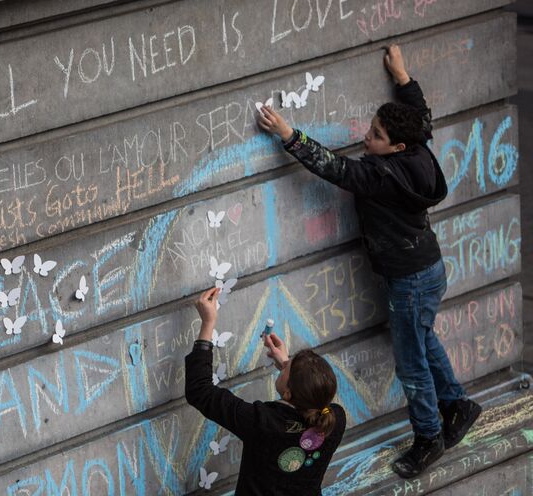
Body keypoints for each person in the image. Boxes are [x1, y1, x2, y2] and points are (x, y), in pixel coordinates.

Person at [255, 44, 481, 479]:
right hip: (429, 268)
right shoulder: (418, 151)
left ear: (396, 147)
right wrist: (402, 77)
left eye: (376, 136)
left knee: (411, 360)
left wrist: (287, 133)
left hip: (410, 280)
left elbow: (335, 169)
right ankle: (457, 403)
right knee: (423, 337)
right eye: (372, 128)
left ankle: (429, 437)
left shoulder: (381, 176)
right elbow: (421, 116)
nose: (366, 138)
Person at [185, 287, 346, 495]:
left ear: (288, 394)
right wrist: (288, 366)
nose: (284, 363)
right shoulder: (335, 420)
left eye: (286, 368)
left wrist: (208, 324)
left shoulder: (262, 423)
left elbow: (200, 391)